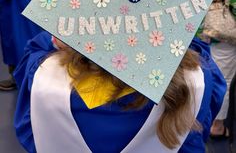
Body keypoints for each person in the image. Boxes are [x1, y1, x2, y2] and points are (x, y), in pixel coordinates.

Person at [14, 31, 226, 153]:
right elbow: (204, 124)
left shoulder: (46, 79)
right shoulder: (196, 79)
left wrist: (61, 35)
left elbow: (30, 132)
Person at [199, 0, 236, 137]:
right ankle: (217, 125)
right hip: (226, 32)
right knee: (225, 80)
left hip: (208, 30)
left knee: (212, 76)